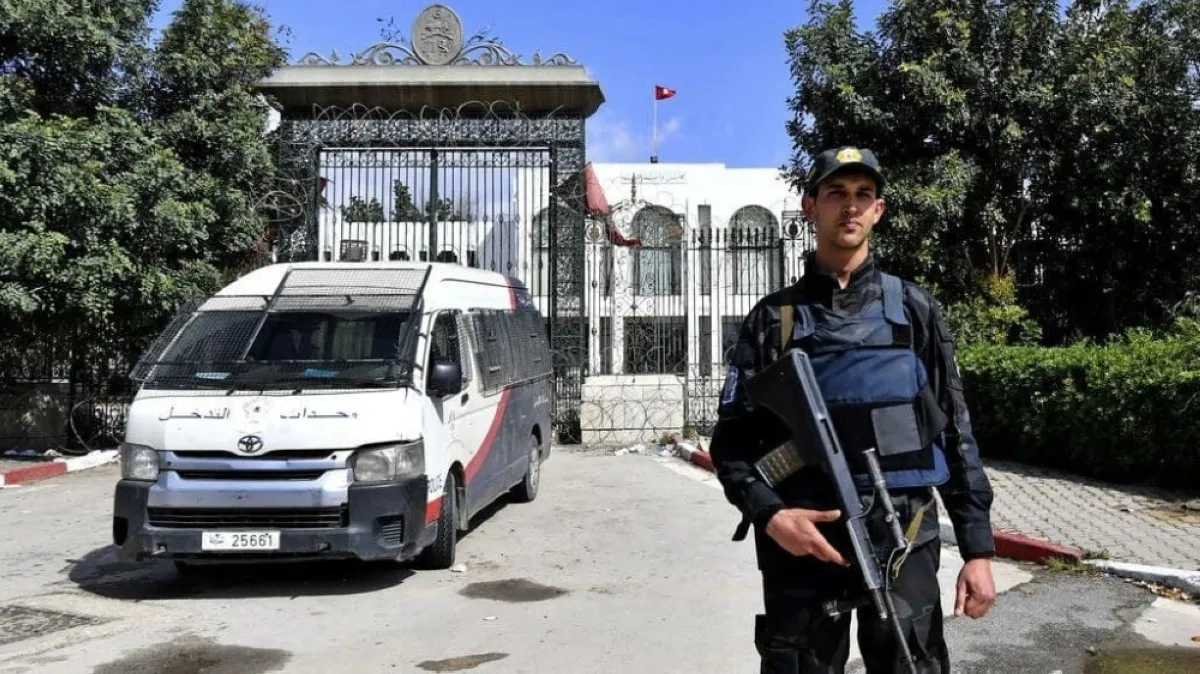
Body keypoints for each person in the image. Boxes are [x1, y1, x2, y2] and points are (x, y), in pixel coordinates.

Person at [708, 146, 997, 673]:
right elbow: (730, 442)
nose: (850, 207)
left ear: (878, 210)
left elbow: (955, 432)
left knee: (913, 663)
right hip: (805, 538)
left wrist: (977, 549)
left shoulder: (913, 310)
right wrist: (771, 515)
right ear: (809, 206)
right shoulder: (772, 320)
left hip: (903, 530)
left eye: (863, 195)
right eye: (836, 194)